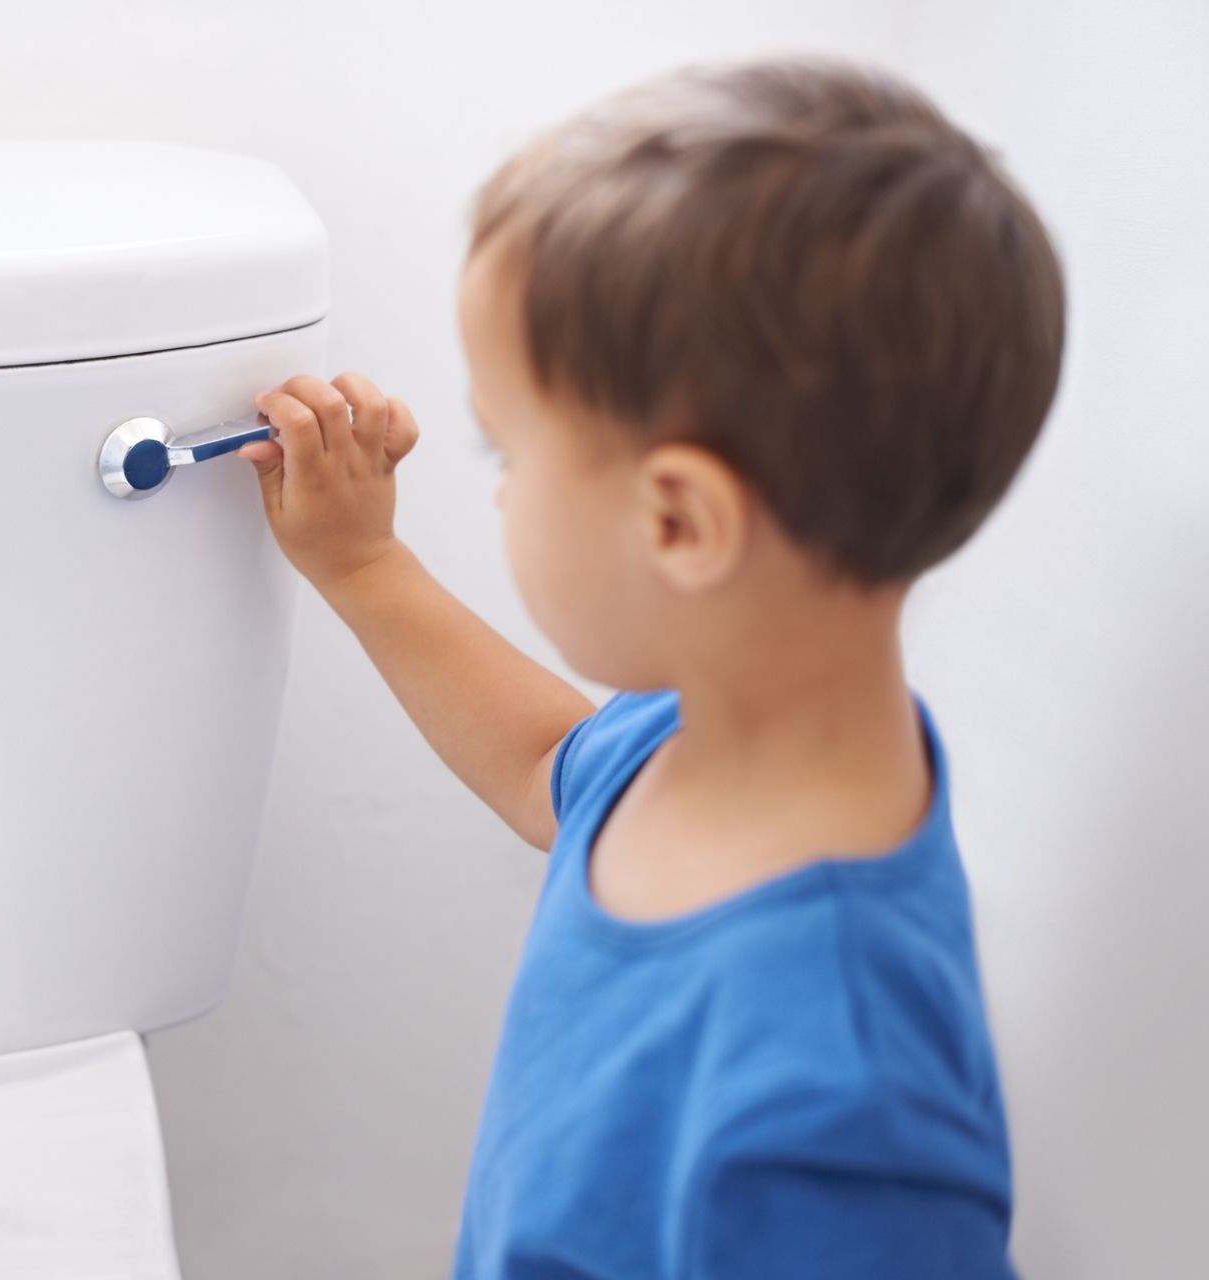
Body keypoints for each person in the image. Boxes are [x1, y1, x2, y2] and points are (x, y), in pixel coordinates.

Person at [236, 53, 1064, 1278]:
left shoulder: (840, 1101)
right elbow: (544, 763)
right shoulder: (716, 731)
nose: (502, 485)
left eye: (503, 449)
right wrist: (365, 568)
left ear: (680, 523)